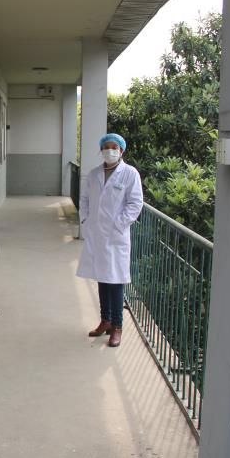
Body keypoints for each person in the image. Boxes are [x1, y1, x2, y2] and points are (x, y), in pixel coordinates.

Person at [76, 133, 143, 347]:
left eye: (114, 147)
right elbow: (84, 199)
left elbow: (135, 203)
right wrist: (86, 219)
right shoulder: (94, 173)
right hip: (97, 234)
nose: (110, 150)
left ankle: (117, 326)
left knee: (116, 281)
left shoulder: (129, 173)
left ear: (121, 150)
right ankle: (105, 320)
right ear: (101, 150)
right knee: (102, 278)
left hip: (115, 236)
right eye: (106, 147)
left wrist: (119, 224)